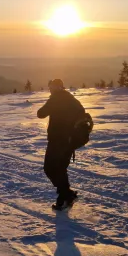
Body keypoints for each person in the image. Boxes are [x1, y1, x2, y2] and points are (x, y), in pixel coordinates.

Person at [37, 78, 86, 210]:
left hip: (57, 140)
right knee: (60, 168)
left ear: (57, 88)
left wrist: (51, 103)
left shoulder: (55, 99)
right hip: (70, 141)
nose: (51, 90)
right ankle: (67, 194)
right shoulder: (72, 99)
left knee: (50, 168)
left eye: (52, 87)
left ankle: (65, 195)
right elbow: (82, 113)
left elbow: (40, 114)